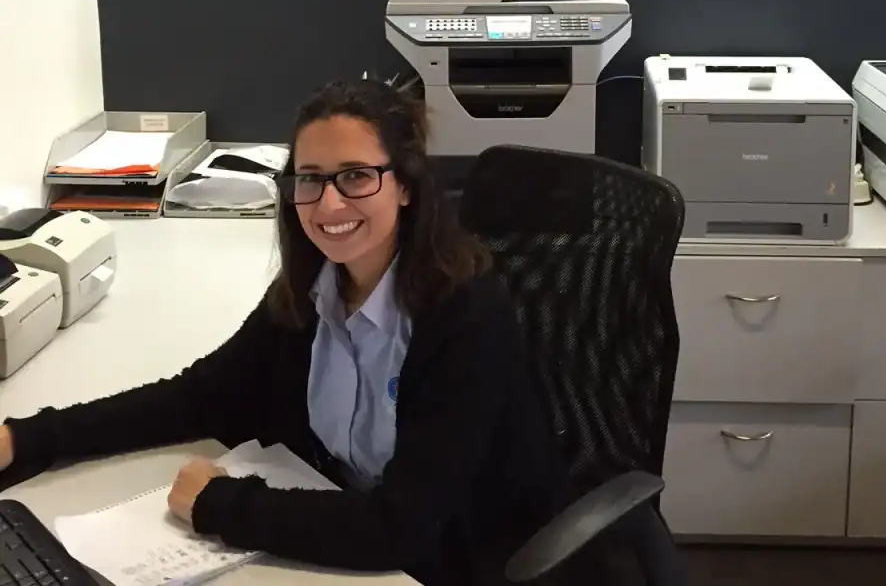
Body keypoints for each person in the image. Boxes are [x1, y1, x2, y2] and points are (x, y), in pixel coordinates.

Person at [0, 80, 575, 586]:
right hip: (346, 533)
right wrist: (28, 440)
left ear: (406, 186)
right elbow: (194, 397)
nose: (328, 203)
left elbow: (403, 528)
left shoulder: (466, 315)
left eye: (355, 176)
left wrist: (221, 505)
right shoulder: (311, 290)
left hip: (457, 559)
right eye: (311, 179)